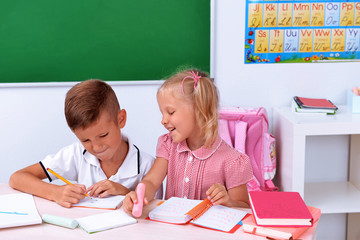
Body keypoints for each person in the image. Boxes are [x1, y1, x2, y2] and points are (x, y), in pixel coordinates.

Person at [9, 79, 161, 208]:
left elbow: (153, 209)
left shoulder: (147, 166)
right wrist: (55, 193)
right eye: (85, 140)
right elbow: (17, 178)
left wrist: (124, 191)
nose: (96, 147)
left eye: (103, 135)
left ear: (121, 119)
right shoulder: (75, 154)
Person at [123, 69, 253, 214]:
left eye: (170, 112)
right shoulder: (168, 145)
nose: (163, 120)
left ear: (199, 110)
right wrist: (139, 196)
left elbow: (243, 207)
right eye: (162, 113)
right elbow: (152, 182)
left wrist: (227, 201)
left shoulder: (232, 160)